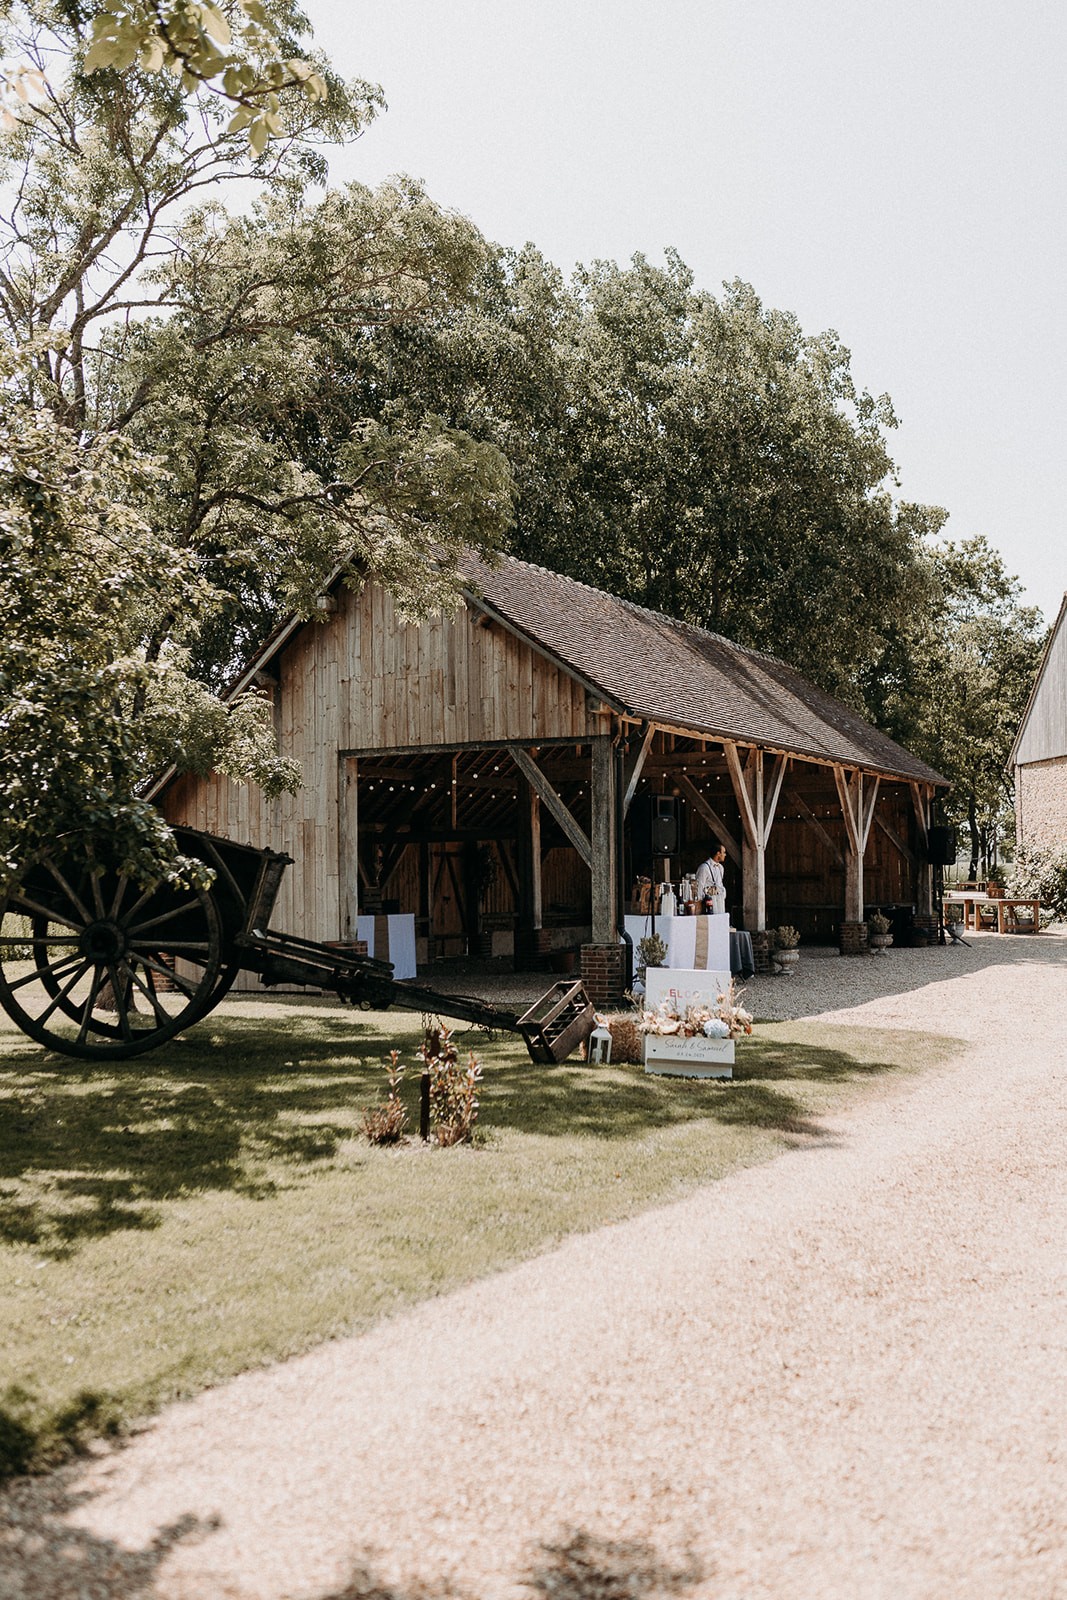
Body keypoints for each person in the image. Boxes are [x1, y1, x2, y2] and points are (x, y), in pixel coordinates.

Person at [694, 843, 727, 915]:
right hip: (708, 903)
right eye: (724, 852)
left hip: (719, 902)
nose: (725, 855)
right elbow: (699, 886)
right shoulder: (704, 867)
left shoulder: (721, 868)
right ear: (718, 853)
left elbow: (720, 884)